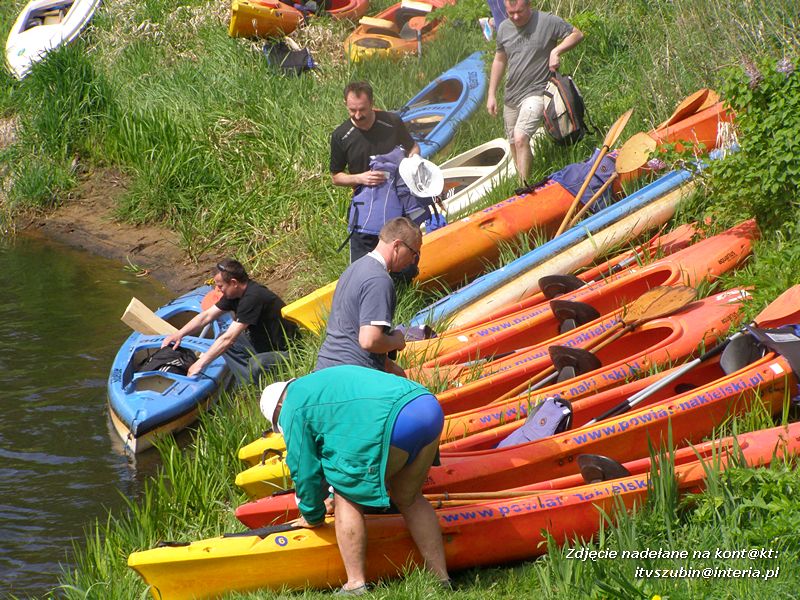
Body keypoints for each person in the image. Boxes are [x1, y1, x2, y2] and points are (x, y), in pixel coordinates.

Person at [260, 366, 450, 593]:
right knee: (408, 498)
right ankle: (441, 579)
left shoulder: (292, 407)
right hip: (427, 405)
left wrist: (312, 515)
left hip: (395, 421)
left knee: (346, 495)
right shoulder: (318, 383)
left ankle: (355, 584)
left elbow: (304, 470)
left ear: (279, 407)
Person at [486, 0, 583, 181]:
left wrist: (556, 51)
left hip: (537, 92)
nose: (515, 17)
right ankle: (523, 183)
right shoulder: (504, 28)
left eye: (519, 12)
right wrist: (491, 94)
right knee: (514, 143)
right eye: (510, 13)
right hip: (511, 96)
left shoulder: (547, 21)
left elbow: (576, 34)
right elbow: (499, 59)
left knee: (521, 137)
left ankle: (523, 188)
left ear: (529, 5)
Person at [161, 259, 298, 384]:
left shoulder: (253, 298)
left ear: (234, 283)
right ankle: (248, 380)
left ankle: (255, 386)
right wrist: (179, 334)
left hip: (289, 351)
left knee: (256, 363)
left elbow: (229, 339)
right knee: (222, 340)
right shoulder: (234, 294)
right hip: (262, 343)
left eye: (220, 286)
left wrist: (200, 363)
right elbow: (206, 316)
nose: (218, 290)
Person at [315, 217, 422, 376]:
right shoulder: (379, 280)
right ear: (397, 246)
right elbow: (369, 340)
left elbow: (350, 331)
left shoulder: (354, 269)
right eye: (414, 253)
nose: (414, 261)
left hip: (327, 369)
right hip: (352, 376)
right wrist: (396, 341)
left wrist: (394, 371)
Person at [331, 81, 420, 263]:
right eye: (352, 110)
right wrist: (360, 178)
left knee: (405, 264)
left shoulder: (392, 122)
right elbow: (336, 177)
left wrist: (413, 163)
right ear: (345, 105)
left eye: (362, 109)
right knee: (363, 262)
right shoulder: (341, 135)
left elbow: (413, 148)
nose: (357, 115)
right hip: (366, 210)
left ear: (372, 103)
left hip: (399, 202)